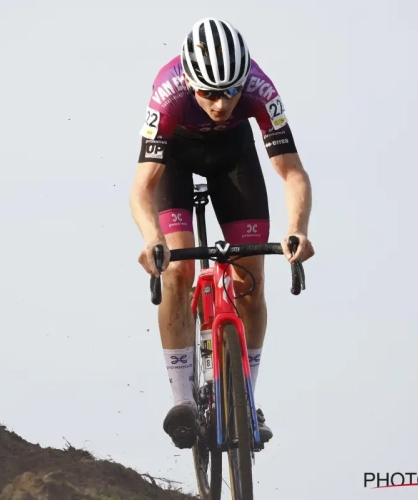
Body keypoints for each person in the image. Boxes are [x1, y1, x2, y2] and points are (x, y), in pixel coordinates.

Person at [129, 17, 315, 449]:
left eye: (231, 91)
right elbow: (142, 186)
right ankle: (182, 402)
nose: (221, 103)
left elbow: (293, 173)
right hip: (174, 157)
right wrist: (151, 237)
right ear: (190, 83)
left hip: (234, 156)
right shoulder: (168, 91)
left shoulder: (260, 89)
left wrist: (298, 230)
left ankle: (246, 398)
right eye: (210, 93)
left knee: (250, 282)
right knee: (178, 270)